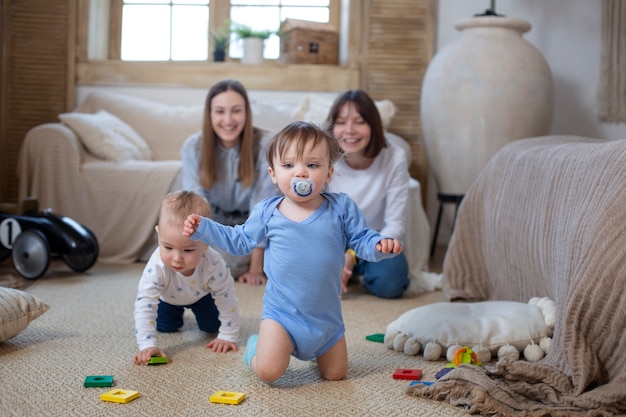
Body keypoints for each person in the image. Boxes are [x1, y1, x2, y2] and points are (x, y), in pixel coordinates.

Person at [183, 121, 403, 382]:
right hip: (282, 316)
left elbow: (362, 239)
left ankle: (314, 350)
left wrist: (380, 245)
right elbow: (239, 240)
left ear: (329, 173)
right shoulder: (268, 211)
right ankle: (257, 345)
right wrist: (203, 228)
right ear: (273, 174)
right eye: (288, 165)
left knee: (336, 374)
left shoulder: (341, 208)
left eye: (312, 165)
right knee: (268, 371)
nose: (301, 173)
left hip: (326, 321)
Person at [180, 79, 276, 286]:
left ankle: (244, 261)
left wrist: (256, 269)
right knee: (175, 253)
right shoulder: (193, 146)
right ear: (210, 114)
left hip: (249, 224)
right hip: (213, 220)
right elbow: (195, 206)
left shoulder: (265, 145)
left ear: (246, 113)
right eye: (220, 111)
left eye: (236, 111)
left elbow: (262, 208)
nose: (228, 120)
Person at [133, 191, 240, 365]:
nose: (176, 258)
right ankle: (175, 315)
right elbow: (144, 302)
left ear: (206, 243)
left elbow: (227, 298)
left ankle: (205, 319)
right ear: (159, 234)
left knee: (212, 328)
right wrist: (146, 345)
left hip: (202, 297)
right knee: (166, 327)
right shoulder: (157, 266)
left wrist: (228, 335)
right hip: (168, 300)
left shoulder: (213, 264)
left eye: (188, 250)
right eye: (167, 247)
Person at [325, 89, 411, 299]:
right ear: (332, 127)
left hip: (373, 239)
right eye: (341, 122)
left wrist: (353, 255)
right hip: (327, 237)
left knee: (391, 282)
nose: (349, 130)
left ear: (374, 126)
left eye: (360, 122)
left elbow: (395, 223)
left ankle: (356, 269)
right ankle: (345, 270)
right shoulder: (324, 156)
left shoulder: (394, 158)